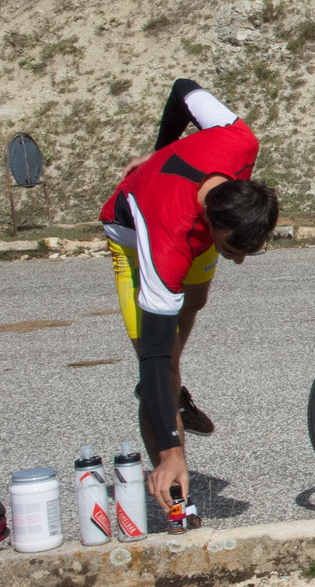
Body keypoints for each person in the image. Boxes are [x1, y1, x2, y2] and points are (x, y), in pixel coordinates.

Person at [100, 79, 279, 525]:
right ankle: (178, 496)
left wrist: (160, 151)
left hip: (192, 226)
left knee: (194, 301)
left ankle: (172, 396)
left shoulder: (240, 141)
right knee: (163, 363)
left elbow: (182, 89)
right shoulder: (167, 247)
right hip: (134, 237)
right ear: (215, 225)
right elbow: (154, 355)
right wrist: (170, 452)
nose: (240, 261)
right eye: (234, 250)